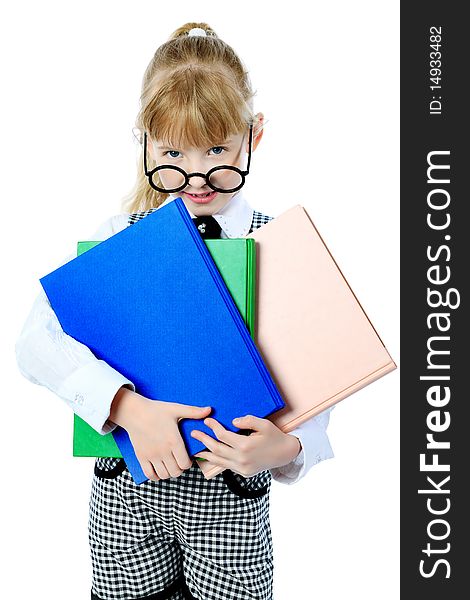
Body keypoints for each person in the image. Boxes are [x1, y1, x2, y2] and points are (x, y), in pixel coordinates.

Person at [15, 22, 334, 600]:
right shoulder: (118, 241)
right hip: (125, 504)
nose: (197, 174)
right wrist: (127, 407)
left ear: (252, 137)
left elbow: (314, 378)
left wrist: (287, 447)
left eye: (217, 150)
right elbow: (35, 343)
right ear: (145, 143)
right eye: (173, 152)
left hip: (231, 503)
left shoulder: (276, 250)